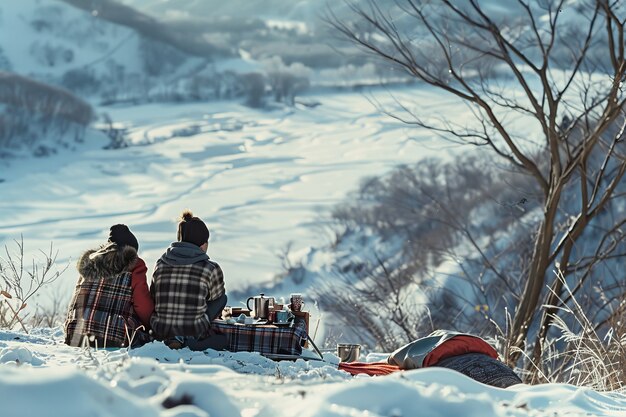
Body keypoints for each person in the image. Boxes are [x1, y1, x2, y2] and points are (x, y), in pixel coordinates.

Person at [64, 224, 154, 348]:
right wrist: (151, 325)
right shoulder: (135, 265)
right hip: (114, 336)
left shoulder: (89, 264)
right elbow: (142, 304)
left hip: (75, 335)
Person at [150, 210, 227, 350]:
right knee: (222, 299)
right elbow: (216, 297)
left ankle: (173, 337)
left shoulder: (160, 264)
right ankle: (189, 339)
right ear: (203, 243)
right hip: (193, 329)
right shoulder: (210, 268)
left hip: (160, 328)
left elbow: (153, 296)